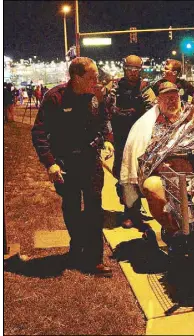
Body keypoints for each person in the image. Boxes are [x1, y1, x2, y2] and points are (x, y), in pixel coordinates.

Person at [31, 57, 114, 277]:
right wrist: (50, 163)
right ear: (76, 77)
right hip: (67, 163)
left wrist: (107, 140)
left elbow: (104, 119)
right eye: (91, 76)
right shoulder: (55, 98)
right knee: (72, 209)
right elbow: (39, 133)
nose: (96, 80)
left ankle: (95, 258)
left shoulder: (95, 95)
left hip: (91, 161)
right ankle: (77, 248)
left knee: (95, 209)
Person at [120, 82, 194, 243]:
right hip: (165, 178)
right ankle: (173, 229)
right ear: (158, 101)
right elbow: (142, 156)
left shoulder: (193, 119)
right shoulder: (147, 125)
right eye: (166, 98)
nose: (171, 101)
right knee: (152, 187)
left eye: (174, 97)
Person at [105, 55, 156, 228]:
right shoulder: (114, 87)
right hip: (120, 138)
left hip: (139, 138)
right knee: (122, 175)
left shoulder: (144, 88)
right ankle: (129, 210)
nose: (133, 73)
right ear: (124, 69)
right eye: (130, 69)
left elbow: (153, 109)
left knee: (140, 175)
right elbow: (104, 108)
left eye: (136, 70)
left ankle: (136, 209)